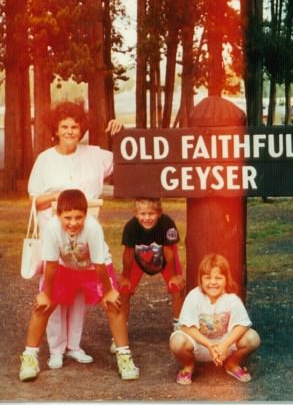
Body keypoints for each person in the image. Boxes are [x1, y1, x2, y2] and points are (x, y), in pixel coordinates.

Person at [27, 101, 122, 369]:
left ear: (82, 129)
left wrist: (120, 134)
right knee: (55, 292)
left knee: (79, 292)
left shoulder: (95, 155)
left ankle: (73, 346)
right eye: (64, 126)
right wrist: (58, 196)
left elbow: (126, 161)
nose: (70, 131)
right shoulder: (45, 159)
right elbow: (33, 200)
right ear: (56, 130)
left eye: (75, 126)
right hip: (55, 237)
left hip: (86, 237)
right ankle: (56, 349)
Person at [19, 189, 139, 382]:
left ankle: (124, 356)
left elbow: (99, 264)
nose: (73, 223)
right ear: (58, 215)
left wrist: (108, 291)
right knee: (42, 306)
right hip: (65, 267)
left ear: (86, 215)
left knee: (113, 304)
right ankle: (29, 358)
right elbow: (51, 265)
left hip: (93, 269)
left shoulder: (93, 228)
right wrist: (46, 294)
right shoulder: (52, 228)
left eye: (78, 217)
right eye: (68, 218)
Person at [169, 254, 261, 386]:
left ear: (226, 279)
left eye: (218, 278)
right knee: (177, 342)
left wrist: (224, 345)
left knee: (252, 338)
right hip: (199, 345)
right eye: (207, 278)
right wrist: (209, 345)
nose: (213, 282)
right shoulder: (194, 296)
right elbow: (186, 327)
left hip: (224, 346)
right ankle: (189, 366)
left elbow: (242, 325)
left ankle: (232, 364)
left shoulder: (231, 297)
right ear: (200, 279)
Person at [113, 198, 186, 352]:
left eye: (151, 214)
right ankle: (120, 331)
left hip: (164, 258)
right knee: (124, 290)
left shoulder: (166, 223)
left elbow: (169, 251)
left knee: (177, 286)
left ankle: (179, 326)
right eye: (143, 214)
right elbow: (128, 253)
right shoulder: (131, 226)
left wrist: (174, 275)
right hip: (139, 257)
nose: (147, 218)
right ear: (135, 213)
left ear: (159, 213)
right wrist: (125, 276)